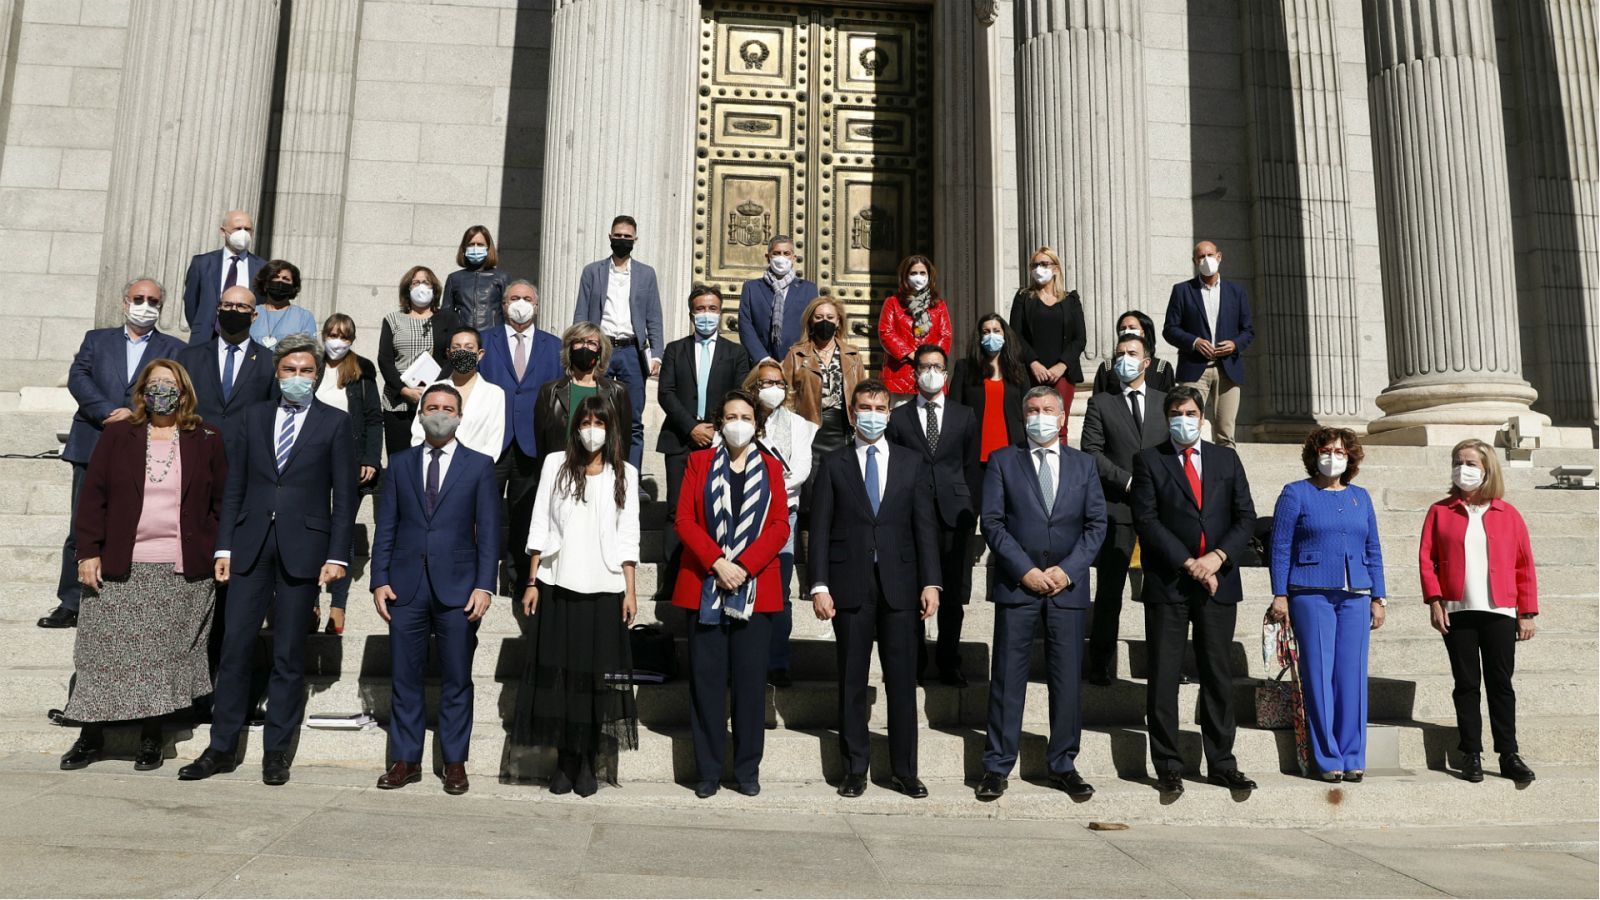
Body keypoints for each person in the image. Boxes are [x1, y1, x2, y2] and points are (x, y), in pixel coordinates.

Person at [179, 333, 357, 786]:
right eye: (289, 370)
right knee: (235, 648)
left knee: (288, 655)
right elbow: (233, 485)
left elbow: (345, 496)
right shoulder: (252, 418)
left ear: (317, 376)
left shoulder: (335, 423)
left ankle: (276, 752)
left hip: (305, 550)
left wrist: (337, 556)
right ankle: (221, 748)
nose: (297, 378)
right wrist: (224, 546)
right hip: (250, 544)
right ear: (276, 373)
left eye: (306, 371)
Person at [58, 359, 227, 772]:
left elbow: (221, 503)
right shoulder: (119, 434)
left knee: (160, 656)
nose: (161, 392)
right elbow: (93, 497)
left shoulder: (206, 437)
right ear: (141, 392)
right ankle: (90, 735)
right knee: (102, 652)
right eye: (154, 385)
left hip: (178, 567)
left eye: (169, 385)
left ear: (183, 391)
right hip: (119, 563)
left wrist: (219, 550)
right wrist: (87, 552)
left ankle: (152, 734)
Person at [809, 379, 941, 799]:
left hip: (901, 588)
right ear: (852, 413)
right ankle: (854, 768)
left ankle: (904, 770)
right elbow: (821, 528)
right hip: (850, 588)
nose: (871, 413)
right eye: (863, 406)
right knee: (851, 681)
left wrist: (931, 582)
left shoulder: (910, 462)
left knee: (902, 683)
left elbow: (925, 527)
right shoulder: (833, 464)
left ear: (889, 413)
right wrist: (818, 585)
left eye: (879, 407)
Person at [975, 386, 1106, 802]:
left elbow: (1096, 526)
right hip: (1019, 587)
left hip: (1067, 590)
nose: (1040, 415)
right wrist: (1026, 570)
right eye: (1033, 409)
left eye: (1048, 409)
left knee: (1066, 682)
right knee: (1007, 681)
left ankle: (1063, 763)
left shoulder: (1083, 465)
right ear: (1023, 416)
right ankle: (997, 766)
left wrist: (1067, 572)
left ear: (1063, 416)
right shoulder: (1002, 461)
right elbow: (993, 524)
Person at [370, 383, 499, 796]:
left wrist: (484, 585)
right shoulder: (402, 464)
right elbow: (386, 526)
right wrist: (379, 579)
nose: (439, 413)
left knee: (457, 677)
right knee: (405, 677)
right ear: (419, 413)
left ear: (460, 416)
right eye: (432, 407)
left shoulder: (479, 466)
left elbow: (489, 532)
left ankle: (454, 762)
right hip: (406, 586)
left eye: (447, 408)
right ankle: (405, 760)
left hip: (459, 589)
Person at [1130, 385, 1259, 797]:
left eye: (1189, 412)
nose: (1182, 419)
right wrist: (1189, 564)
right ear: (1166, 417)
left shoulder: (1226, 458)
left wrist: (1217, 558)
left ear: (1201, 416)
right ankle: (1168, 764)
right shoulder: (1150, 460)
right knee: (1164, 675)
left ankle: (1222, 762)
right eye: (1175, 413)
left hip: (1219, 582)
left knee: (1217, 675)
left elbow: (1245, 516)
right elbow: (1148, 522)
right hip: (1170, 581)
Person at [514, 395, 641, 797]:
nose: (592, 430)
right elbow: (539, 523)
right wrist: (532, 581)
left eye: (600, 423)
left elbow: (628, 536)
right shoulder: (555, 464)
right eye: (586, 422)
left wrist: (630, 590)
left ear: (611, 429)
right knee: (561, 676)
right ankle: (564, 759)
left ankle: (588, 758)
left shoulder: (627, 473)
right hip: (558, 584)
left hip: (605, 587)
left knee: (598, 680)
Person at [43, 278, 186, 629]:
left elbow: (174, 388)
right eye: (138, 298)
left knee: (131, 523)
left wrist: (135, 416)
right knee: (83, 523)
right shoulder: (97, 340)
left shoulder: (174, 348)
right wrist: (108, 412)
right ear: (125, 302)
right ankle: (71, 601)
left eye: (153, 300)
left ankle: (120, 597)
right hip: (94, 439)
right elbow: (79, 377)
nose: (145, 305)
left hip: (145, 446)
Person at [673, 390, 790, 798]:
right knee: (705, 684)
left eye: (745, 415)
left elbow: (780, 526)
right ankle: (707, 769)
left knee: (749, 684)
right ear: (719, 423)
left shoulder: (773, 468)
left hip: (755, 589)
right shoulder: (699, 462)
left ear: (756, 424)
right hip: (705, 584)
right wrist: (716, 562)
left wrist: (743, 566)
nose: (737, 422)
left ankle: (746, 770)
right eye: (730, 416)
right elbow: (685, 519)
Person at [1265, 427, 1386, 783]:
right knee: (1319, 675)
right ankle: (1328, 755)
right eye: (1326, 449)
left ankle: (1353, 754)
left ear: (1350, 458)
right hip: (1310, 591)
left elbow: (1373, 549)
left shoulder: (1360, 497)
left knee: (1352, 678)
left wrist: (1378, 596)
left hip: (1355, 595)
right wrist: (1280, 593)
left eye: (1340, 451)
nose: (1332, 456)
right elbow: (1280, 546)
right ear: (1314, 454)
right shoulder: (1296, 493)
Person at [1419, 439, 1538, 786]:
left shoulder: (1508, 513)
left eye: (1470, 462)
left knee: (1501, 684)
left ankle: (1508, 754)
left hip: (1500, 610)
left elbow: (1524, 564)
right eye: (1458, 462)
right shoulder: (1440, 511)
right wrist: (1435, 601)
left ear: (1487, 469)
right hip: (1458, 610)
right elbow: (1427, 560)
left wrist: (1526, 611)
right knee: (1466, 684)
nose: (1462, 468)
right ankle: (1470, 751)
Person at [1079, 333, 1170, 685]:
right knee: (1110, 589)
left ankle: (1165, 662)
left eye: (1132, 353)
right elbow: (1091, 452)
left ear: (1147, 361)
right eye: (1119, 354)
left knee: (1163, 591)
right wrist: (1128, 481)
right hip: (1117, 507)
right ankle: (1101, 661)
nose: (1124, 359)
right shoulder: (1102, 403)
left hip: (1159, 511)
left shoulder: (1165, 402)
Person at [887, 344, 980, 686]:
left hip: (955, 516)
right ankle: (916, 660)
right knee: (914, 589)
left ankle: (949, 660)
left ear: (945, 373)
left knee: (953, 594)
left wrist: (973, 508)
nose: (930, 372)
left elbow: (971, 468)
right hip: (911, 516)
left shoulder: (964, 415)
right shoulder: (898, 418)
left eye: (937, 366)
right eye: (924, 366)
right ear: (914, 373)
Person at [477, 280, 563, 591]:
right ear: (502, 305)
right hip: (492, 443)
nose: (521, 303)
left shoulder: (554, 346)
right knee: (483, 513)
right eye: (514, 298)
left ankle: (517, 580)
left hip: (533, 444)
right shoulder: (485, 341)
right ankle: (480, 578)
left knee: (524, 515)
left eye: (527, 298)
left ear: (537, 307)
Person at [657, 285, 751, 567]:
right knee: (678, 509)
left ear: (720, 313)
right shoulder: (675, 350)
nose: (706, 314)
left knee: (712, 509)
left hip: (719, 442)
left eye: (712, 309)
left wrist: (716, 429)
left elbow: (740, 395)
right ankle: (671, 579)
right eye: (700, 309)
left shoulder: (736, 353)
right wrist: (691, 427)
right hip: (680, 440)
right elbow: (666, 393)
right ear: (691, 313)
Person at [742, 361, 817, 687]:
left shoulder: (800, 425)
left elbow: (799, 472)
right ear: (753, 387)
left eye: (777, 382)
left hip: (782, 514)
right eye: (764, 382)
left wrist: (766, 487)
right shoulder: (740, 420)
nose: (771, 388)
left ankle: (777, 662)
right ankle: (745, 659)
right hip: (743, 512)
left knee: (778, 590)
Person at [574, 215, 663, 470]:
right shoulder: (593, 271)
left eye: (627, 236)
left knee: (633, 419)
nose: (622, 240)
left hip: (633, 352)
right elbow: (581, 312)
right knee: (594, 413)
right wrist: (580, 346)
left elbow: (654, 316)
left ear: (635, 239)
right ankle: (593, 469)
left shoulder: (646, 274)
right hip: (601, 349)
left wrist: (657, 353)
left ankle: (630, 477)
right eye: (618, 235)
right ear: (610, 237)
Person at [315, 313, 384, 634]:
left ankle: (337, 605)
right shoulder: (310, 366)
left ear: (352, 339)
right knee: (313, 530)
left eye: (344, 336)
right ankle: (311, 600)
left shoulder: (362, 369)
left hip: (349, 460)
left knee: (341, 528)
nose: (337, 341)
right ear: (323, 335)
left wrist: (370, 457)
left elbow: (373, 418)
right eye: (332, 334)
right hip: (311, 460)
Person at [1162, 241, 1255, 448]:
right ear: (1195, 261)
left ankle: (1226, 476)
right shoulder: (1183, 290)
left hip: (1227, 370)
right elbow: (1170, 329)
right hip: (1194, 369)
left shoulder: (1236, 292)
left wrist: (1234, 344)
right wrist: (1194, 342)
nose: (1206, 260)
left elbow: (1248, 330)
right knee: (1187, 427)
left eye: (1210, 255)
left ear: (1219, 257)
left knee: (1225, 432)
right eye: (1201, 257)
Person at [177, 286, 278, 448]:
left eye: (241, 306)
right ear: (218, 310)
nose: (234, 311)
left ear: (254, 316)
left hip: (245, 453)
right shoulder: (189, 357)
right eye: (227, 305)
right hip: (194, 448)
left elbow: (273, 411)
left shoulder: (269, 361)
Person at [378, 266, 461, 456]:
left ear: (434, 289)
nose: (421, 287)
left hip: (433, 400)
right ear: (408, 288)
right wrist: (403, 389)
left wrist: (433, 388)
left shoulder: (447, 319)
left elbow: (451, 357)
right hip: (397, 401)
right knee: (399, 459)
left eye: (426, 282)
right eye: (416, 282)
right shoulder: (393, 319)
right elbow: (385, 359)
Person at [533, 323, 634, 472]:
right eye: (579, 342)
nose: (584, 347)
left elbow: (623, 442)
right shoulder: (549, 391)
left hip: (602, 473)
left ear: (600, 351)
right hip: (561, 471)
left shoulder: (617, 392)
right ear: (570, 349)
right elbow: (541, 443)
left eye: (592, 343)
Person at [949, 313, 1029, 501]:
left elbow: (1028, 409)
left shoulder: (1019, 370)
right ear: (979, 336)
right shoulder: (965, 367)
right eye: (986, 332)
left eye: (996, 331)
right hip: (975, 455)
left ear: (1005, 335)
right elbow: (953, 409)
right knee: (971, 510)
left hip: (1011, 454)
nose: (991, 336)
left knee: (1006, 514)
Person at [781, 295, 865, 461]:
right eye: (818, 317)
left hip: (843, 428)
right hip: (809, 428)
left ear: (838, 321)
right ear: (811, 321)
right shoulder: (796, 354)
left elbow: (861, 393)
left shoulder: (852, 355)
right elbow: (787, 394)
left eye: (829, 317)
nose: (824, 321)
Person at [1008, 246, 1086, 410]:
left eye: (1044, 264)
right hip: (1031, 372)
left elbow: (1079, 339)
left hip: (1062, 373)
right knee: (1032, 420)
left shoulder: (1070, 300)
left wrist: (1061, 366)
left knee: (1059, 423)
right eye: (1034, 265)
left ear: (1056, 269)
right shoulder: (1023, 297)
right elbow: (1015, 334)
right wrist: (1033, 363)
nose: (1038, 269)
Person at [410, 327, 505, 458]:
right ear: (449, 353)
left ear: (480, 353)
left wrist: (477, 469)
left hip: (476, 469)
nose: (462, 352)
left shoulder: (494, 394)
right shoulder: (433, 388)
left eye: (469, 347)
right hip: (434, 464)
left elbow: (494, 442)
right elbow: (419, 433)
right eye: (456, 347)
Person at [181, 210, 265, 345]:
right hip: (207, 338)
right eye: (238, 228)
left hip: (246, 338)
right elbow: (191, 302)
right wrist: (201, 327)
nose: (243, 233)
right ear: (223, 231)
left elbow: (261, 305)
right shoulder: (202, 263)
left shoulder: (262, 267)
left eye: (247, 229)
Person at [877, 255, 953, 404]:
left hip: (930, 372)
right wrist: (911, 354)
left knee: (930, 421)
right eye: (913, 273)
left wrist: (930, 358)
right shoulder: (893, 302)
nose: (918, 277)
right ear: (905, 276)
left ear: (929, 276)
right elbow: (886, 332)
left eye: (922, 273)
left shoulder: (938, 305)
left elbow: (945, 334)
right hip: (900, 373)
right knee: (900, 420)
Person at [738, 234, 819, 366]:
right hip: (760, 364)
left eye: (786, 253)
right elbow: (745, 325)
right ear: (768, 257)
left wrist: (793, 358)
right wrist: (763, 358)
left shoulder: (808, 289)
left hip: (797, 363)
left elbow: (812, 328)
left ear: (794, 258)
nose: (781, 257)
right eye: (776, 253)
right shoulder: (751, 288)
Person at [1090, 310, 1177, 396]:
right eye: (1123, 328)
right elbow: (1099, 400)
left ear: (1144, 332)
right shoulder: (1107, 367)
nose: (1127, 331)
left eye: (1132, 328)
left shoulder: (1161, 368)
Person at [445, 225, 509, 333]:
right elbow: (446, 314)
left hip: (493, 338)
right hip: (463, 339)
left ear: (488, 248)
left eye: (480, 244)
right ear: (464, 248)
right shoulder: (454, 278)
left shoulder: (501, 277)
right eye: (471, 244)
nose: (475, 248)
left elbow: (509, 313)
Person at [249, 260, 319, 349]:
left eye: (286, 279)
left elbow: (309, 350)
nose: (280, 281)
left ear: (293, 286)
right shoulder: (251, 313)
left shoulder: (304, 317)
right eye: (275, 277)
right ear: (265, 283)